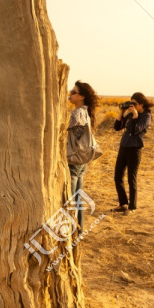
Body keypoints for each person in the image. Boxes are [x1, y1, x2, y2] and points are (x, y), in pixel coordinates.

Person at [113, 92, 153, 214]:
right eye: (131, 103)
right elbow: (117, 127)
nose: (132, 106)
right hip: (124, 147)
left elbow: (136, 130)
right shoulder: (130, 114)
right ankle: (123, 204)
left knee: (132, 179)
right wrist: (121, 112)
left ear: (141, 104)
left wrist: (135, 115)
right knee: (118, 177)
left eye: (134, 103)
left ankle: (132, 207)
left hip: (135, 149)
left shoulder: (146, 116)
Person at [67, 81, 99, 232]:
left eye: (73, 92)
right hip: (82, 160)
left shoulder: (78, 112)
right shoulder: (85, 111)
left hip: (74, 159)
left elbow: (77, 134)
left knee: (70, 199)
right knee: (78, 198)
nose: (70, 94)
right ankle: (79, 230)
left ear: (81, 96)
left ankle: (72, 230)